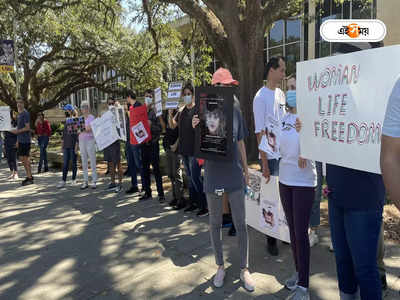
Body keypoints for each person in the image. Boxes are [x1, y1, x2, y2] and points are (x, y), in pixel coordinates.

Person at [192, 68, 254, 291]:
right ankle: (220, 266)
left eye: (230, 86)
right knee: (215, 223)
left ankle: (244, 268)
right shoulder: (203, 111)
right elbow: (195, 146)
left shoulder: (235, 107)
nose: (229, 89)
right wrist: (195, 128)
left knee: (241, 223)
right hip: (214, 177)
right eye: (225, 85)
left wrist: (246, 171)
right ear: (215, 87)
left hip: (234, 175)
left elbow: (240, 142)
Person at [279, 90, 316, 300]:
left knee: (301, 233)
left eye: (295, 86)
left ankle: (304, 287)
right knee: (292, 231)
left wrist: (307, 147)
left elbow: (319, 146)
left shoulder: (310, 119)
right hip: (285, 180)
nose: (290, 91)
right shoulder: (283, 119)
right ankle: (298, 272)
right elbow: (276, 145)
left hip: (303, 183)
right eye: (289, 87)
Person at [253, 56, 286, 256]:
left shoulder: (281, 94)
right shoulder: (260, 97)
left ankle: (283, 232)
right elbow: (259, 132)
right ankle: (270, 238)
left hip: (284, 155)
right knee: (270, 199)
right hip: (270, 157)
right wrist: (264, 163)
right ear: (271, 71)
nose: (283, 74)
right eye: (281, 70)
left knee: (283, 196)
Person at [169, 83, 208, 216]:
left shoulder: (198, 109)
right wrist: (170, 113)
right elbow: (173, 126)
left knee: (196, 178)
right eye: (184, 94)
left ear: (193, 95)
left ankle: (204, 205)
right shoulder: (181, 111)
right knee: (190, 178)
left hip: (194, 151)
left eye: (188, 94)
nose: (186, 96)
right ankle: (193, 203)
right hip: (184, 150)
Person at [140, 89, 165, 202]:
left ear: (153, 98)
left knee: (156, 170)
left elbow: (161, 129)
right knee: (145, 169)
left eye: (150, 96)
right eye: (146, 96)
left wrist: (151, 126)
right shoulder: (141, 111)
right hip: (144, 144)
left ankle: (161, 194)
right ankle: (147, 192)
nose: (148, 98)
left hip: (153, 143)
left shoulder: (156, 111)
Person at [125, 90, 146, 195]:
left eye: (126, 98)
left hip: (136, 140)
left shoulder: (138, 106)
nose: (126, 100)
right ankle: (134, 185)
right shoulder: (129, 107)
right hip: (129, 139)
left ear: (129, 97)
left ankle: (144, 185)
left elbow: (139, 122)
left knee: (139, 164)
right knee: (131, 163)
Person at [165, 109, 185, 209]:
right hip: (168, 147)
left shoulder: (179, 113)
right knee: (171, 174)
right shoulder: (168, 112)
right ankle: (175, 197)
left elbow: (181, 132)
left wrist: (176, 145)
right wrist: (168, 114)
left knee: (177, 174)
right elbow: (167, 128)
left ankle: (180, 199)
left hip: (176, 149)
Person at [11, 99, 33, 186]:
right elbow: (19, 128)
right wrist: (17, 140)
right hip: (21, 140)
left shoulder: (25, 114)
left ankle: (29, 178)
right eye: (17, 103)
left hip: (25, 140)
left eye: (20, 103)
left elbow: (27, 128)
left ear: (24, 104)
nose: (19, 104)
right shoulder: (20, 114)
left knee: (25, 159)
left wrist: (17, 131)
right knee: (22, 159)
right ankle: (29, 176)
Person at [103, 98, 123, 193]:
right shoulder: (105, 115)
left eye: (112, 103)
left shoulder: (118, 113)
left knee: (118, 163)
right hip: (107, 142)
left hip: (115, 142)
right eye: (109, 103)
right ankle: (112, 182)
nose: (110, 105)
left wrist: (118, 108)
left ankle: (120, 183)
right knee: (110, 163)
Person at [57, 104, 78, 188]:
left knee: (73, 163)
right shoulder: (66, 121)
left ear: (70, 111)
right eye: (64, 111)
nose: (65, 112)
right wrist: (62, 146)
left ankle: (73, 179)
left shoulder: (75, 120)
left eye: (66, 110)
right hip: (66, 146)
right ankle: (63, 180)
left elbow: (77, 134)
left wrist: (77, 145)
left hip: (73, 145)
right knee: (65, 163)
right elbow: (63, 135)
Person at [78, 101, 97, 189]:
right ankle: (85, 181)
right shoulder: (80, 119)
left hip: (90, 140)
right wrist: (82, 129)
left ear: (88, 108)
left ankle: (94, 181)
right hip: (82, 141)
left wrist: (82, 129)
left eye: (86, 107)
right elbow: (77, 130)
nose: (84, 109)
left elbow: (90, 129)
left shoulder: (91, 117)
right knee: (84, 161)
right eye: (82, 107)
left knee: (92, 160)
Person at [5, 112, 18, 180]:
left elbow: (17, 132)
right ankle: (12, 173)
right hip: (6, 142)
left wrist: (17, 142)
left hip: (13, 141)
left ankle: (16, 173)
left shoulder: (15, 122)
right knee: (9, 159)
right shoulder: (4, 123)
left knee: (13, 158)